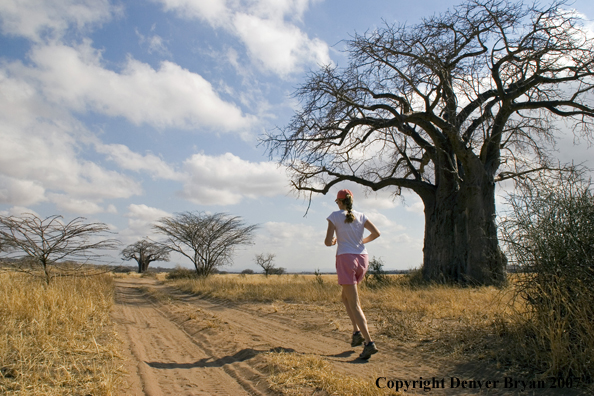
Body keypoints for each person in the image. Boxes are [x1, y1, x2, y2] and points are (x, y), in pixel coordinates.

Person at [325, 189, 381, 359]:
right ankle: (356, 333)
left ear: (339, 202)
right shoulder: (361, 215)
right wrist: (360, 242)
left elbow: (328, 242)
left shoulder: (334, 216)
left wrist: (335, 241)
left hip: (346, 259)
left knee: (355, 304)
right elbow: (376, 233)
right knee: (346, 298)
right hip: (362, 258)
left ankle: (369, 342)